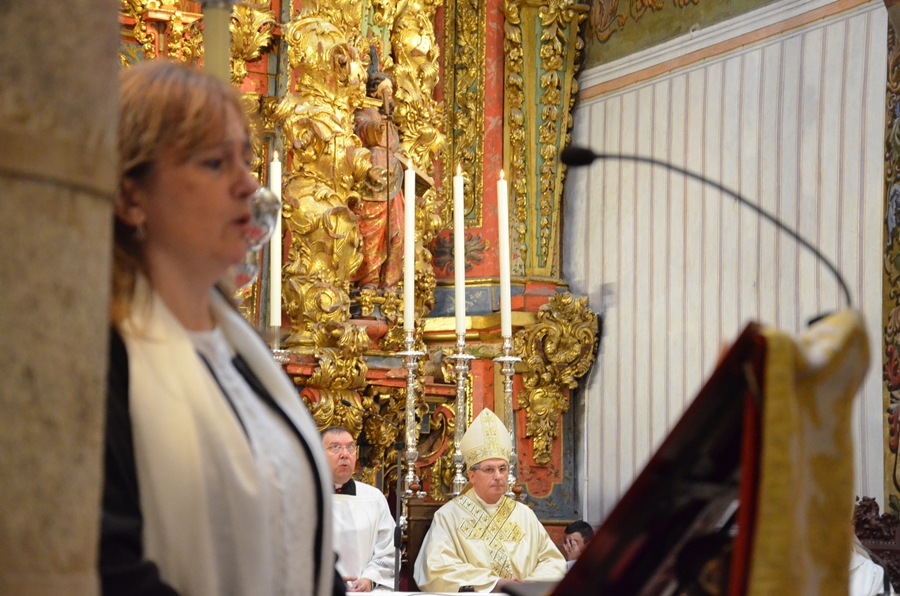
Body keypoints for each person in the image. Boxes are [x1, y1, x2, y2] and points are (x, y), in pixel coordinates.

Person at [99, 60, 341, 596]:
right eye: (214, 162)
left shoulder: (241, 348)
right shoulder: (99, 358)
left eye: (247, 159)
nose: (248, 184)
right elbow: (105, 565)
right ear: (130, 194)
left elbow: (303, 538)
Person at [413, 409, 567, 593]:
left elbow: (553, 561)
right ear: (472, 476)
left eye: (502, 469)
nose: (498, 476)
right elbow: (436, 569)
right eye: (489, 470)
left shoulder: (524, 514)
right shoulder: (449, 516)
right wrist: (494, 584)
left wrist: (527, 586)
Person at [321, 426, 396, 592]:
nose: (345, 454)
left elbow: (388, 551)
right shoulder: (307, 497)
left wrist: (370, 578)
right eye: (335, 447)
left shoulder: (374, 498)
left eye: (350, 447)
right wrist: (330, 581)